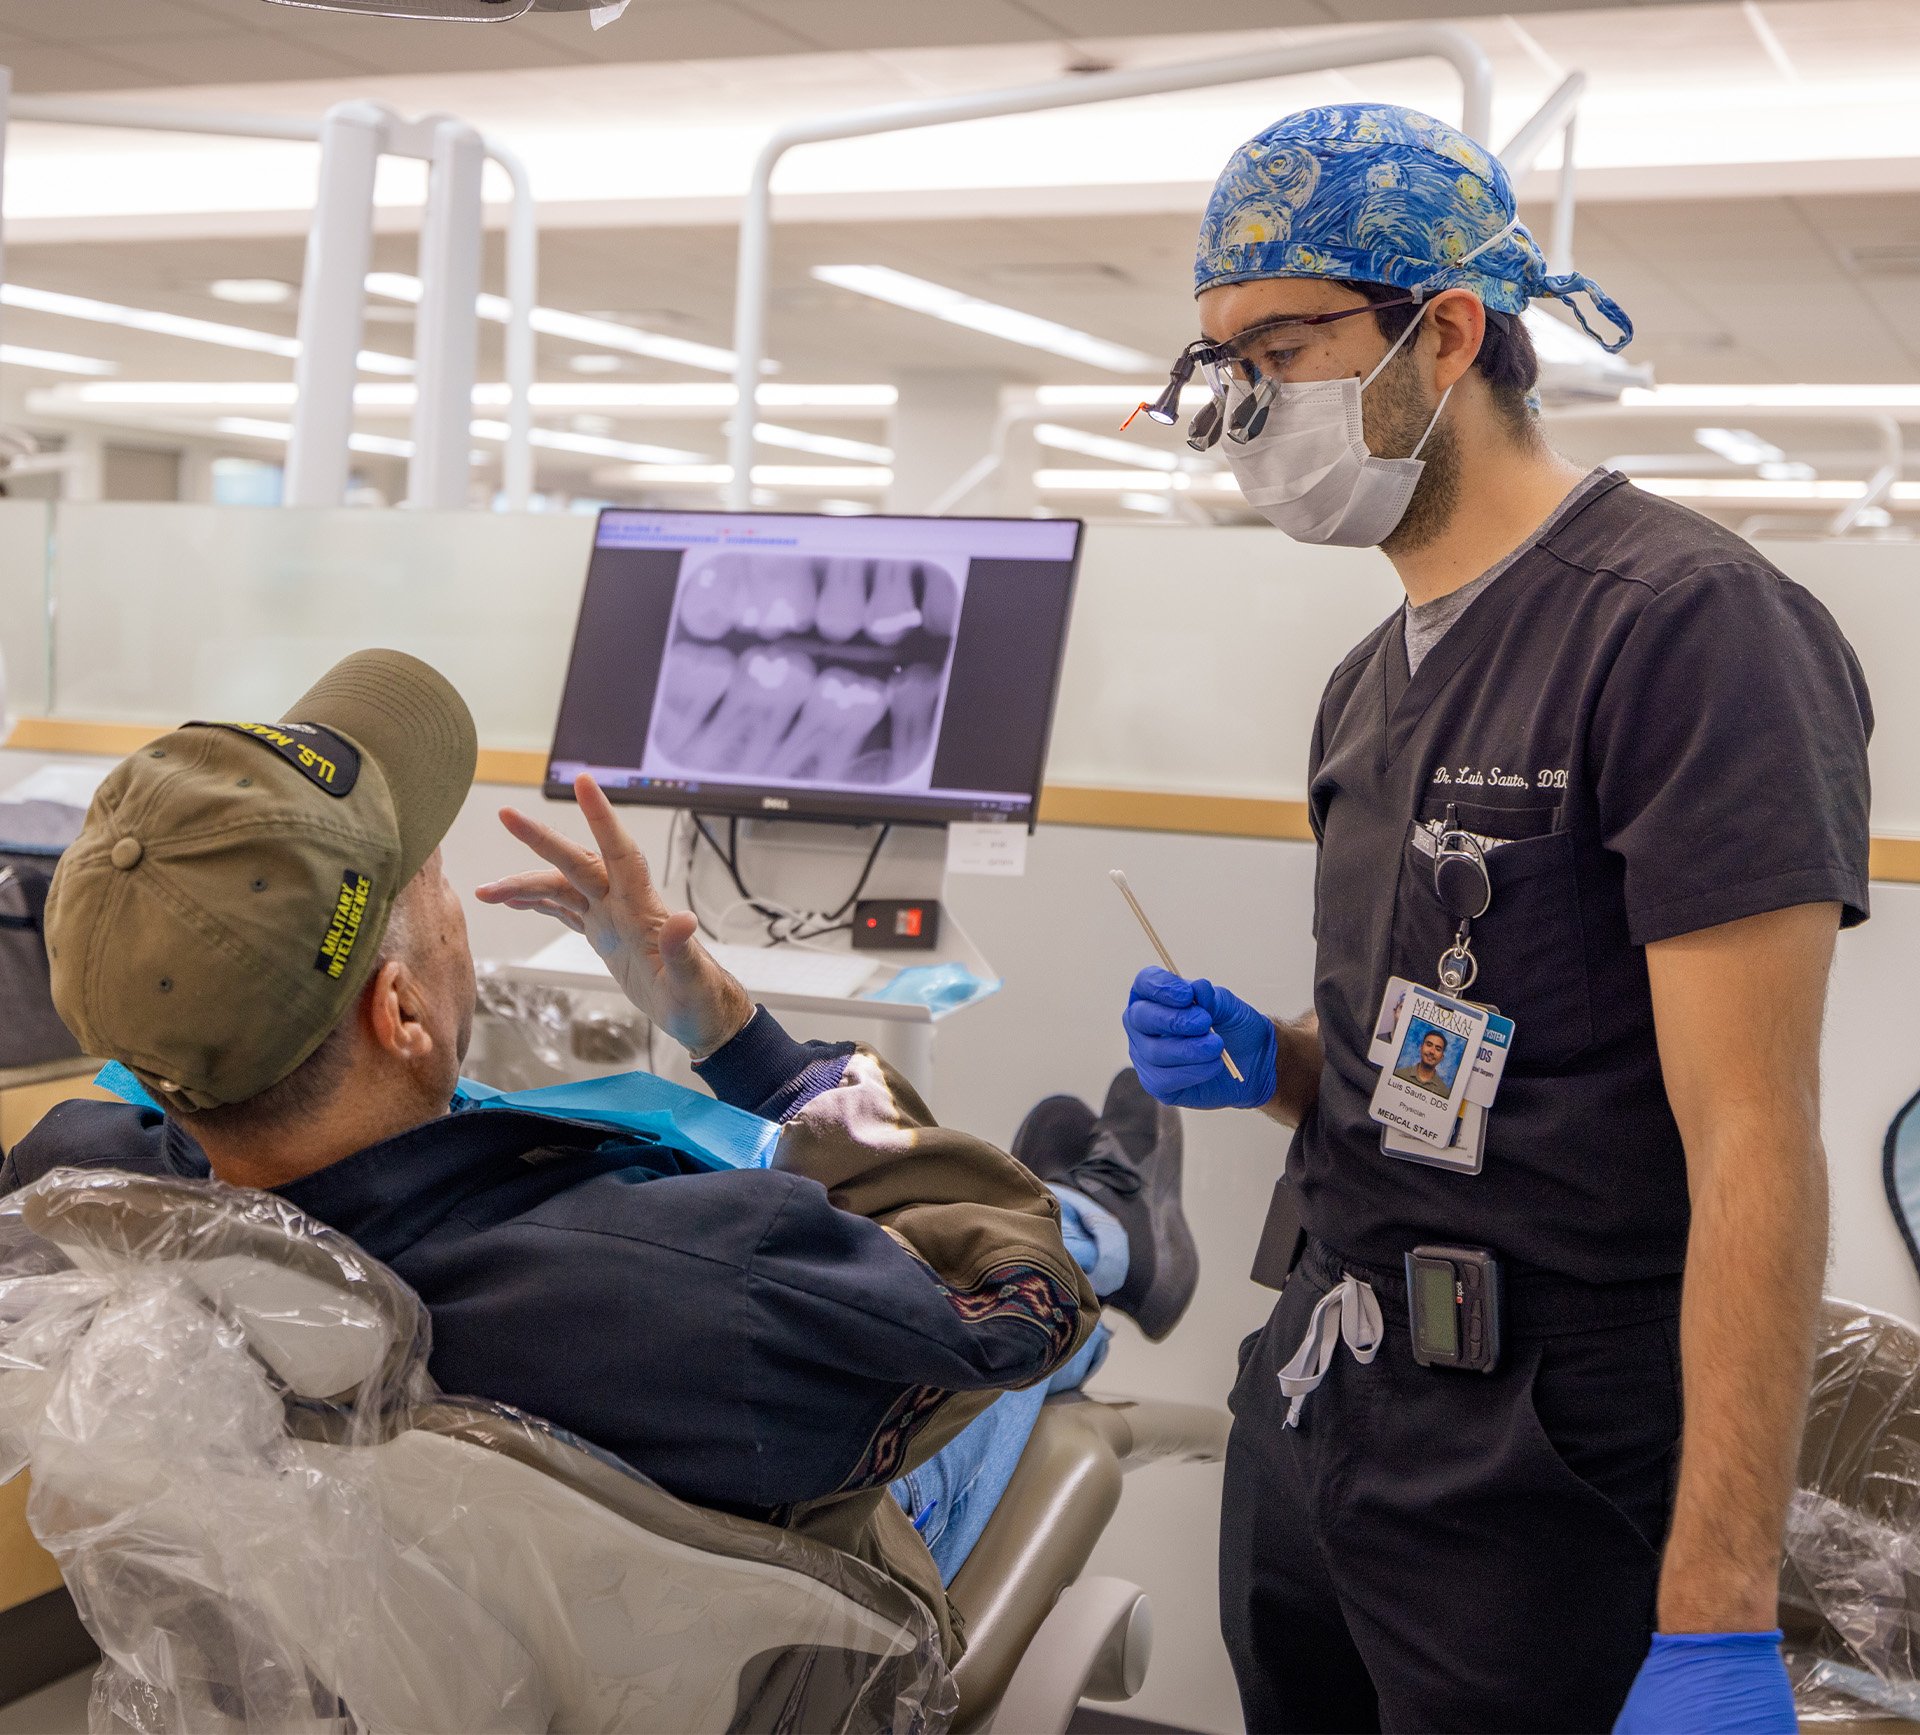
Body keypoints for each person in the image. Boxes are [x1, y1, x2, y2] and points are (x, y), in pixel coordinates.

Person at [1121, 104, 1871, 1733]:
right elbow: (1455, 1048)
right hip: (1327, 1404)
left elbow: (1758, 1139)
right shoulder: (1365, 686)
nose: (1243, 405)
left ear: (1444, 331)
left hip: (1546, 1466)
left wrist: (1720, 1614)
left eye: (1280, 345)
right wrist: (1284, 1066)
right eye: (1215, 361)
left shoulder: (1691, 635)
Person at [0, 647, 1196, 1660]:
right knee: (1048, 1290)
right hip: (788, 1594)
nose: (451, 893)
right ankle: (1109, 1216)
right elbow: (1010, 1301)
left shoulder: (77, 1194)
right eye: (429, 877)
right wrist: (743, 1039)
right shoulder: (715, 1277)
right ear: (401, 1013)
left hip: (434, 1644)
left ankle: (1098, 1195)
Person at [1391, 1029, 1450, 1096]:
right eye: (1429, 1045)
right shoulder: (1399, 1073)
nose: (1432, 1051)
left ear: (1441, 1057)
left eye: (1438, 1049)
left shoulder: (1444, 1092)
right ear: (1421, 1048)